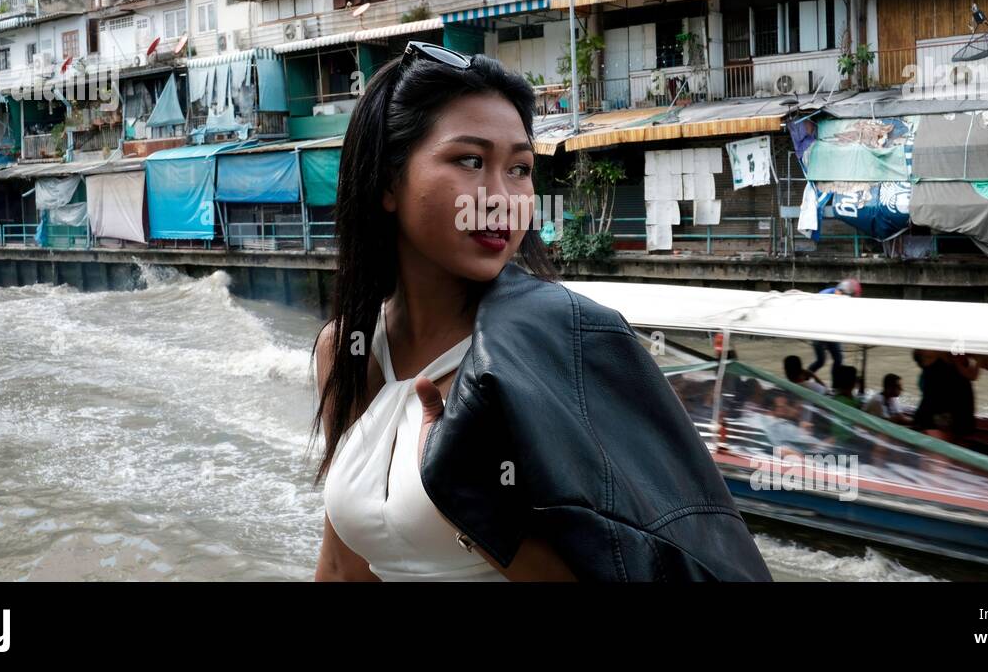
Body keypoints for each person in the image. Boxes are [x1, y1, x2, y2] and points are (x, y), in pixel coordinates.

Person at [310, 43, 769, 582]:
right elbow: (344, 566)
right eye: (470, 161)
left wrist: (474, 501)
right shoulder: (346, 350)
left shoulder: (558, 349)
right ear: (389, 182)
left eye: (521, 169)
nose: (501, 196)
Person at [911, 350, 980, 444]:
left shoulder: (958, 353)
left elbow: (980, 369)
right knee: (941, 451)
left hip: (960, 410)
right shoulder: (933, 355)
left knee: (952, 449)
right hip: (940, 412)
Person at [808, 279, 860, 374]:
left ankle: (835, 386)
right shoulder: (824, 296)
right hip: (819, 331)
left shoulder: (841, 298)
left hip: (831, 332)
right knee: (821, 361)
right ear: (840, 291)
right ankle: (805, 377)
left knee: (838, 359)